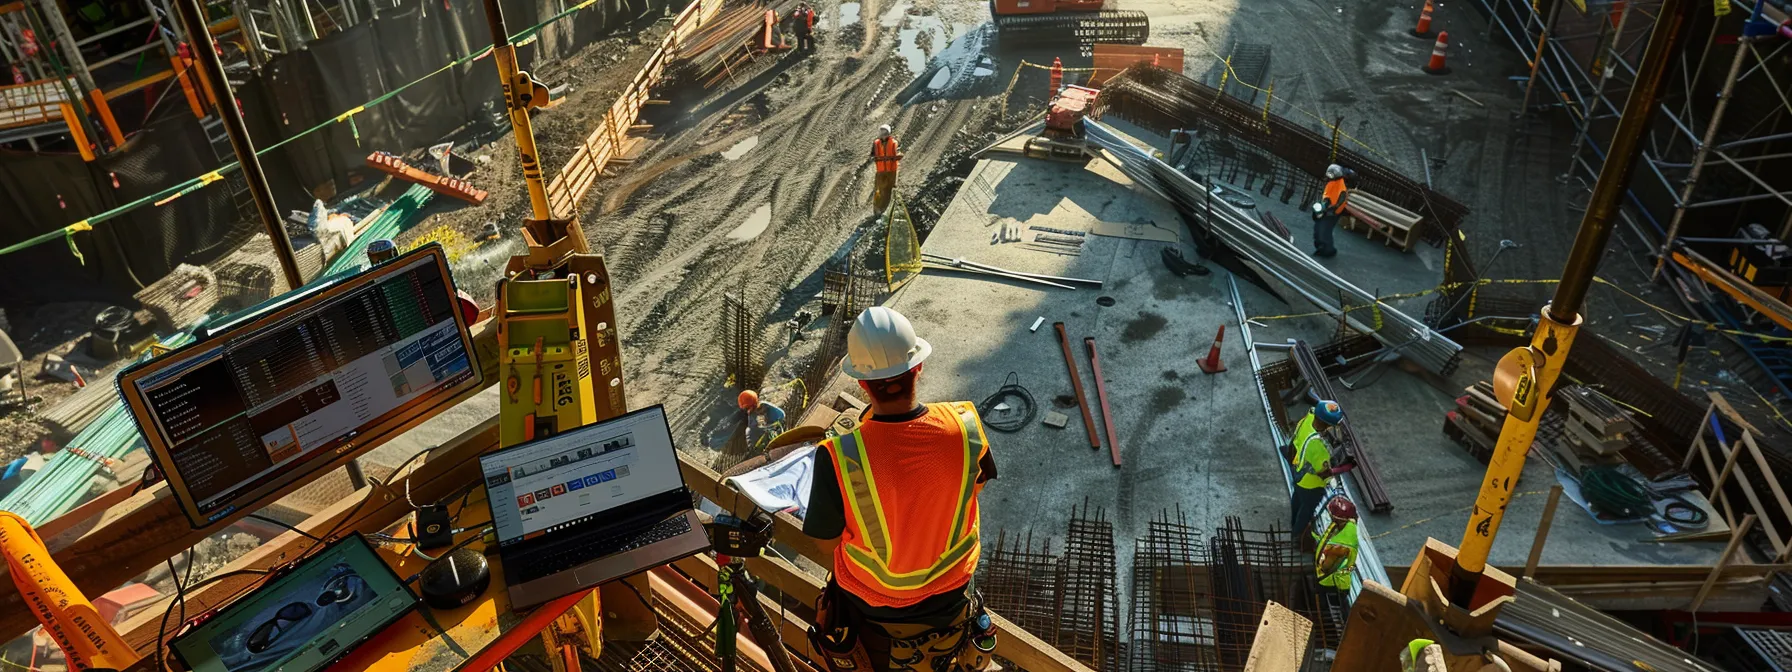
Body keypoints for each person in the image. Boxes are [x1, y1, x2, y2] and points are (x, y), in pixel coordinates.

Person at [802, 307, 999, 672]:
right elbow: (976, 487)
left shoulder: (840, 455)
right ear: (918, 368)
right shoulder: (966, 428)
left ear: (862, 384)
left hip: (871, 611)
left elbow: (826, 543)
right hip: (952, 600)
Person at [1287, 400, 1349, 539]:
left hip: (1297, 469)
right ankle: (1297, 536)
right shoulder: (1318, 445)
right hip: (1311, 485)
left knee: (1297, 498)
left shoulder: (1308, 419)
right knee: (1307, 510)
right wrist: (1341, 468)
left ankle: (1293, 523)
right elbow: (1323, 473)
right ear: (1326, 424)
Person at [1313, 496, 1359, 613]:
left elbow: (1326, 567)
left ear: (1337, 518)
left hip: (1333, 583)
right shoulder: (1346, 526)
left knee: (1332, 608)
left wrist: (1323, 555)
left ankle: (1326, 615)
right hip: (1337, 580)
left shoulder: (1340, 546)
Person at [1310, 163, 1351, 258]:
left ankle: (1329, 250)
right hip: (1326, 210)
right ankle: (1321, 248)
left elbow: (1339, 202)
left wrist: (1330, 208)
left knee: (1325, 231)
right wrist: (1324, 203)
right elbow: (1327, 194)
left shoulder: (1342, 189)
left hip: (1332, 213)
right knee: (1318, 230)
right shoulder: (1331, 183)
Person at [871, 125, 902, 215]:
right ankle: (877, 209)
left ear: (889, 133)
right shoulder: (876, 143)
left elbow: (899, 152)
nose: (883, 135)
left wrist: (897, 156)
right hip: (881, 171)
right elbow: (872, 155)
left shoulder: (894, 143)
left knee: (890, 189)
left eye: (885, 133)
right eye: (882, 132)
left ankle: (886, 210)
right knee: (878, 189)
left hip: (892, 171)